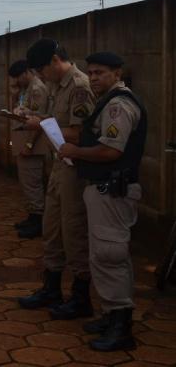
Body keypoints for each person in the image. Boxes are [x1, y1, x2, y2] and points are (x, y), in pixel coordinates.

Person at [59, 52, 146, 352]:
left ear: (117, 73)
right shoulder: (107, 102)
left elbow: (110, 151)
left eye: (101, 73)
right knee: (102, 255)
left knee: (110, 255)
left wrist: (75, 151)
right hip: (104, 190)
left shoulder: (118, 105)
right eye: (91, 72)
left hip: (113, 191)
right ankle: (110, 316)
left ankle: (121, 326)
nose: (94, 77)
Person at [18, 38, 96, 320]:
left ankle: (81, 296)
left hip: (75, 170)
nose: (40, 76)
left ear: (54, 60)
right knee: (52, 229)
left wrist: (41, 124)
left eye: (42, 69)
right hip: (59, 165)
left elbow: (81, 133)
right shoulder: (54, 85)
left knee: (74, 231)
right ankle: (51, 288)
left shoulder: (79, 86)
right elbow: (51, 120)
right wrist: (34, 117)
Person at [8, 59, 49, 239]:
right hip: (24, 142)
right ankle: (32, 217)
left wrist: (29, 144)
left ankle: (38, 222)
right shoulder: (26, 89)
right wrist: (15, 95)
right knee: (27, 183)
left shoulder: (37, 89)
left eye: (18, 77)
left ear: (26, 72)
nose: (16, 81)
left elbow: (39, 120)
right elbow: (21, 111)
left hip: (32, 145)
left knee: (33, 184)